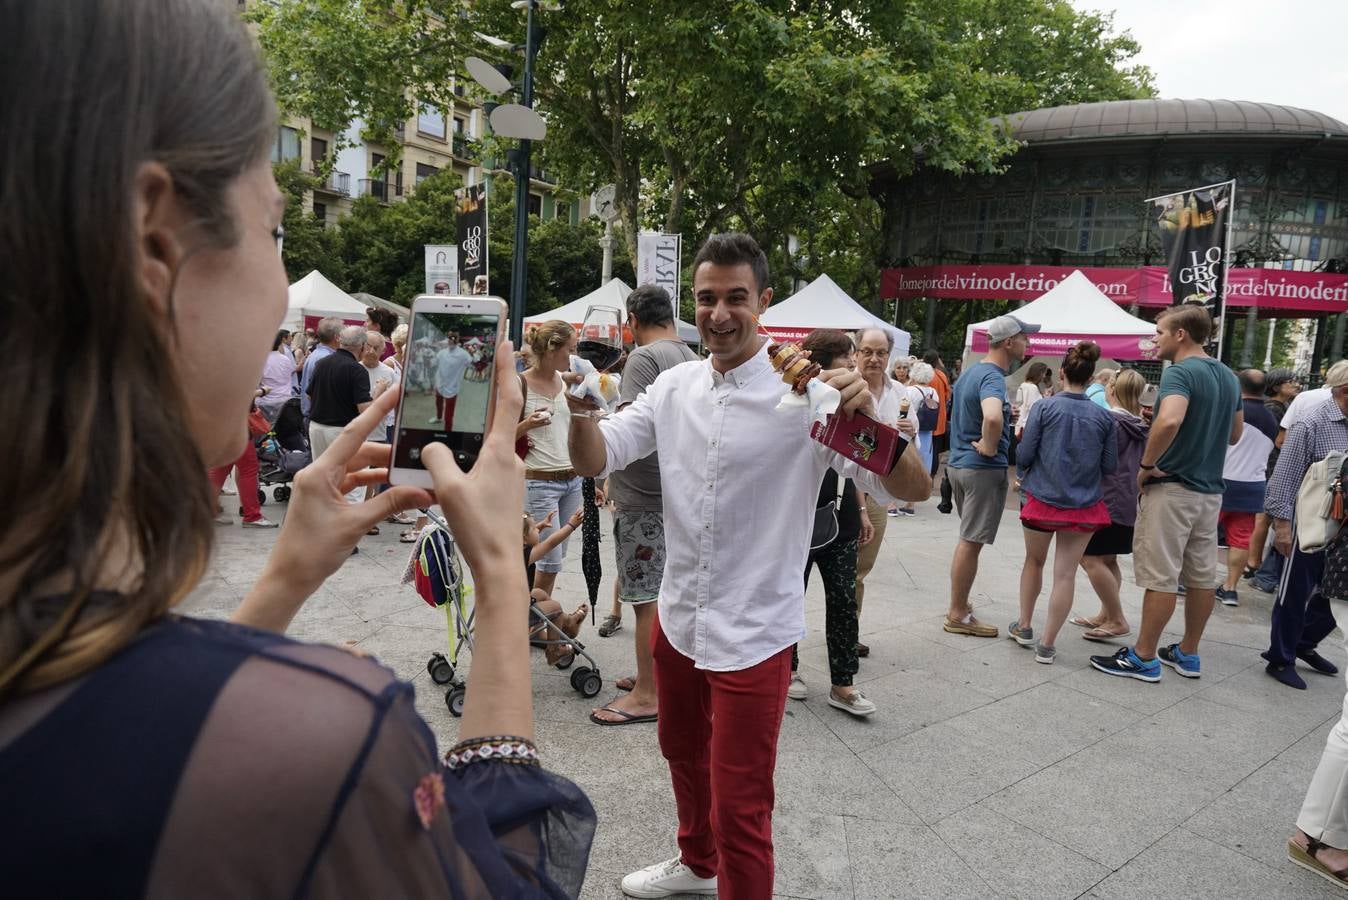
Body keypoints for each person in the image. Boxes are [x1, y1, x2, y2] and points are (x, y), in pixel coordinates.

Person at [0, 1, 594, 894]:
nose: (281, 284)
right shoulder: (325, 745)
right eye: (273, 230)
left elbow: (116, 768)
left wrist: (280, 585)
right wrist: (504, 580)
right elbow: (506, 876)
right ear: (155, 242)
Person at [567, 233, 930, 899]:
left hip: (756, 633)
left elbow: (913, 488)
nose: (719, 313)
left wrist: (867, 417)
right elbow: (598, 456)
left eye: (736, 297)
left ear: (763, 301)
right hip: (679, 618)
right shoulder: (674, 386)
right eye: (706, 298)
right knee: (680, 752)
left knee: (742, 805)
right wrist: (580, 410)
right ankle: (696, 863)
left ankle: (723, 868)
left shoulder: (812, 397)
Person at [1091, 305, 1241, 683]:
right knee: (1202, 577)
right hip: (1210, 491)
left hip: (1172, 487)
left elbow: (1172, 418)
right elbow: (1234, 434)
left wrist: (1146, 464)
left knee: (1161, 576)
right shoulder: (1228, 375)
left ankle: (1144, 657)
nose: (1154, 339)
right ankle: (1188, 653)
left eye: (1159, 332)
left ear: (1180, 334)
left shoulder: (1180, 372)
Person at [590, 285, 698, 727]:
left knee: (643, 597)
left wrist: (596, 423)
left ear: (632, 321)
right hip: (677, 494)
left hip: (642, 495)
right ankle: (656, 676)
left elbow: (632, 428)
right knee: (667, 593)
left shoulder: (643, 358)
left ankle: (648, 694)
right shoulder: (691, 356)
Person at [785, 329, 876, 716]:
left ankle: (844, 683)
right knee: (791, 597)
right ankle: (788, 670)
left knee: (843, 599)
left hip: (841, 517)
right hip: (801, 518)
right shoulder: (795, 404)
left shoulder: (854, 402)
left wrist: (861, 510)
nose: (855, 365)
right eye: (848, 359)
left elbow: (856, 466)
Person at [1008, 342, 1116, 664]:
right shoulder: (1104, 416)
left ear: (1062, 374)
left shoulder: (1044, 407)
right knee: (1065, 574)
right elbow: (1110, 466)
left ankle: (1024, 625)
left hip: (1042, 497)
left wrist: (1028, 470)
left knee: (1034, 561)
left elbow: (1025, 454)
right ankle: (1047, 644)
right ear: (1091, 377)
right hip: (1084, 503)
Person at [944, 315, 1039, 638]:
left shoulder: (970, 373)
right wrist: (988, 443)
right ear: (1009, 342)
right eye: (1024, 337)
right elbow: (993, 417)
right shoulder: (993, 377)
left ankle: (960, 604)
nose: (1028, 343)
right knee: (970, 542)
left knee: (968, 539)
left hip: (959, 465)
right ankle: (958, 612)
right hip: (981, 469)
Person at [1261, 366, 1348, 690]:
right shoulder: (1311, 422)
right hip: (1308, 520)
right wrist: (1282, 526)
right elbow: (1284, 476)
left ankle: (1304, 642)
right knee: (1295, 591)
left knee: (1338, 590)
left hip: (1342, 526)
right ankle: (1280, 657)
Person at [1071, 368, 1148, 640]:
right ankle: (1106, 613)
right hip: (1127, 501)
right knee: (1108, 559)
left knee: (1089, 557)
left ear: (1112, 389)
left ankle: (1116, 618)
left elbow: (1092, 459)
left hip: (1104, 500)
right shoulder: (1141, 425)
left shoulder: (1110, 422)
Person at [853, 327, 916, 655]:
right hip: (846, 491)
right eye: (867, 351)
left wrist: (909, 431)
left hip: (878, 491)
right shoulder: (846, 388)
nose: (874, 359)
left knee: (860, 569)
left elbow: (911, 438)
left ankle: (848, 633)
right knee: (832, 571)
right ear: (857, 353)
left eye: (880, 353)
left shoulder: (900, 393)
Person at [519, 320, 586, 602]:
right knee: (548, 560)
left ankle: (536, 614)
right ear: (551, 348)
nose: (573, 355)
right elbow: (495, 435)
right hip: (539, 480)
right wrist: (526, 425)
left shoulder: (564, 380)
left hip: (572, 479)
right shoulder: (520, 383)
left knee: (556, 559)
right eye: (570, 349)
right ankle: (534, 618)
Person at [1215, 369, 1279, 607]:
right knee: (1240, 540)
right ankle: (1230, 588)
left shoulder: (1231, 410)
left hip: (1220, 481)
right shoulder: (1272, 420)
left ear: (1238, 386)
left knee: (1201, 534)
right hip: (1253, 486)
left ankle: (1186, 580)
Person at [306, 325, 371, 461]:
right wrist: (379, 395)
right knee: (348, 472)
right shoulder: (357, 370)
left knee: (321, 470)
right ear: (362, 346)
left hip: (317, 427)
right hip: (341, 430)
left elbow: (309, 395)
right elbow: (364, 408)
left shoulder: (322, 363)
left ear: (340, 341)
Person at [900, 360, 940, 516]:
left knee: (905, 464)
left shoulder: (910, 390)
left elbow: (902, 410)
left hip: (910, 431)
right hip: (926, 433)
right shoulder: (933, 392)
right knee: (921, 465)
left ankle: (895, 501)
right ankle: (911, 504)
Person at [299, 316, 342, 419]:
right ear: (337, 337)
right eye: (342, 334)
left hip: (312, 415)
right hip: (320, 417)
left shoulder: (315, 354)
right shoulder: (327, 358)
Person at [430, 331, 472, 427]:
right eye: (450, 338)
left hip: (452, 387)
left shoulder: (463, 354)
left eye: (454, 338)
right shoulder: (442, 352)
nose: (451, 340)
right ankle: (438, 418)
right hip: (440, 384)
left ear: (457, 339)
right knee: (438, 404)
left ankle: (448, 432)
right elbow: (433, 363)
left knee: (448, 415)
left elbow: (470, 362)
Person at [1014, 362, 1052, 442]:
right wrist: (1046, 399)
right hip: (1027, 428)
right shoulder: (1033, 388)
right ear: (1040, 373)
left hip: (1019, 425)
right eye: (1044, 373)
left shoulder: (1023, 385)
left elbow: (1020, 404)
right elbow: (1035, 409)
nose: (1044, 376)